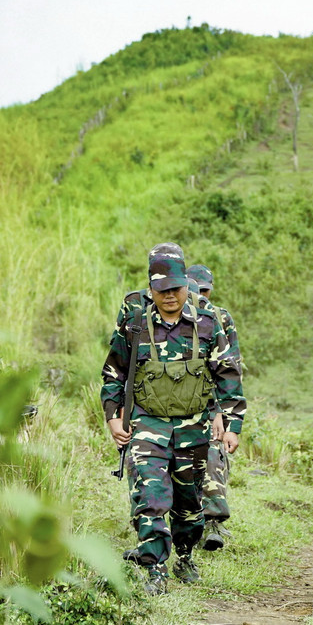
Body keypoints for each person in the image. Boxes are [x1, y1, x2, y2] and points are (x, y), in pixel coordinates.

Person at [101, 243, 245, 595]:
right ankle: (155, 568)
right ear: (150, 290)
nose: (169, 296)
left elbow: (228, 374)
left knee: (188, 503)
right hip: (148, 424)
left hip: (192, 427)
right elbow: (114, 371)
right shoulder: (134, 324)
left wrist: (231, 424)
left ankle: (184, 554)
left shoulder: (209, 323)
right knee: (150, 495)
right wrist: (113, 418)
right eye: (161, 290)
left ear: (186, 285)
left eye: (176, 289)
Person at [186, 264, 242, 551]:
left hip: (211, 405)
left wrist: (222, 412)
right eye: (197, 290)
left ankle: (212, 522)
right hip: (179, 403)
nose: (201, 296)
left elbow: (228, 368)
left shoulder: (220, 318)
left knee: (211, 457)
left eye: (205, 291)